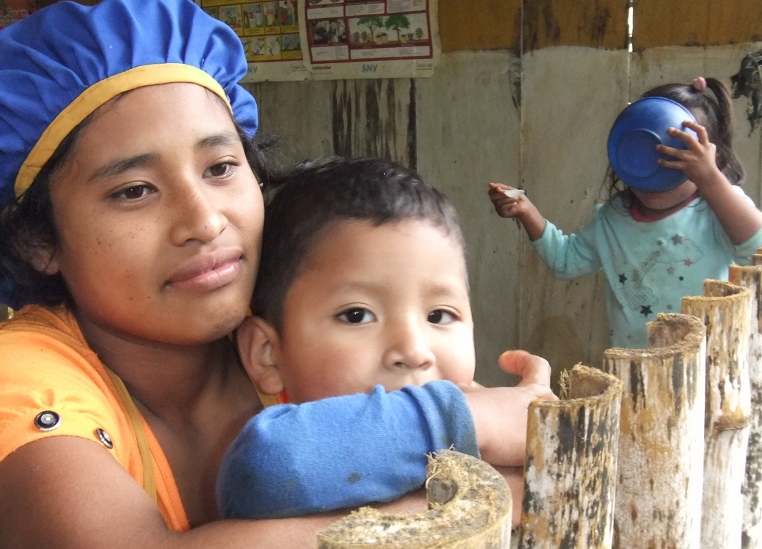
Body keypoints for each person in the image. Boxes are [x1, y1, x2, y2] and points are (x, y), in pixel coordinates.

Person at [0, 0, 552, 548]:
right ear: (39, 240)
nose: (205, 220)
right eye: (134, 191)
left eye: (220, 167)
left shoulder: (300, 331)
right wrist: (466, 487)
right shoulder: (15, 377)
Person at [216, 157, 551, 520]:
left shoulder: (476, 442)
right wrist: (472, 419)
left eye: (439, 315)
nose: (413, 350)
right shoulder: (289, 452)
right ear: (267, 354)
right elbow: (263, 468)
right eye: (356, 315)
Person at [489, 77, 762, 349]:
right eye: (645, 158)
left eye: (678, 163)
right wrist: (527, 212)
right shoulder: (613, 220)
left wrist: (711, 180)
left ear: (711, 161)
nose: (655, 173)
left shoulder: (716, 209)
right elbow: (566, 261)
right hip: (637, 370)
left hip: (710, 366)